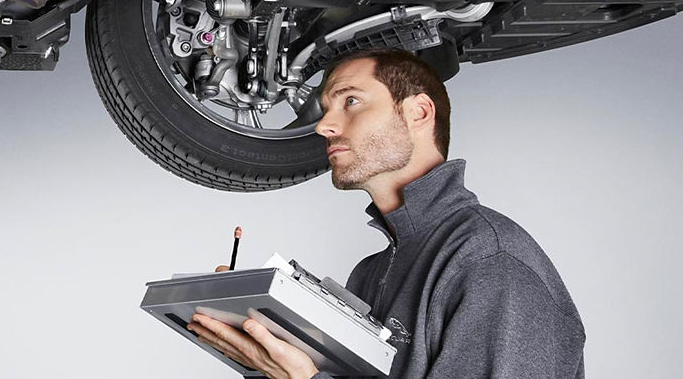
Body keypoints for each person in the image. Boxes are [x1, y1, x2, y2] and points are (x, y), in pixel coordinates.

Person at [188, 48, 585, 378]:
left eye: (351, 101)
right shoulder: (369, 274)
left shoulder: (489, 261)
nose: (324, 125)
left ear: (418, 113)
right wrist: (264, 359)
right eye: (326, 109)